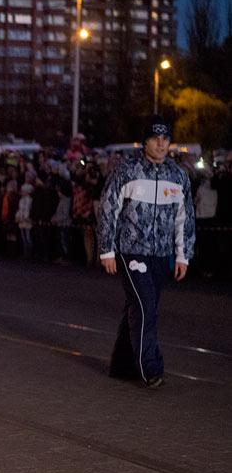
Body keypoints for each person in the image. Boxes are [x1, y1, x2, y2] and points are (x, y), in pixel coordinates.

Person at [97, 116, 195, 389]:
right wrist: (107, 249)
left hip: (161, 255)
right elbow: (108, 209)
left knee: (137, 307)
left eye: (166, 138)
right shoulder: (127, 171)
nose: (161, 143)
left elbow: (184, 219)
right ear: (145, 141)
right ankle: (150, 369)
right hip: (132, 251)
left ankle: (121, 365)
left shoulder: (178, 176)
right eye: (156, 138)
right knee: (145, 307)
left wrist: (182, 255)